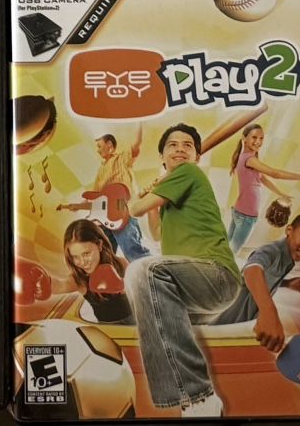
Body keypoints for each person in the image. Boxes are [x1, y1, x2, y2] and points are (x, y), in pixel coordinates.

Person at [123, 123, 242, 418]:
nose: (180, 149)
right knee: (143, 293)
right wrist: (154, 199)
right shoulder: (170, 195)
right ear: (162, 156)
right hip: (190, 291)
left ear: (196, 156)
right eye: (172, 145)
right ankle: (188, 400)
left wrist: (142, 197)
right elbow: (156, 235)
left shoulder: (189, 172)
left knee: (141, 272)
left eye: (188, 145)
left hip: (216, 275)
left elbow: (134, 209)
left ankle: (198, 394)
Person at [214, 216, 300, 355]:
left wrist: (287, 283)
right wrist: (269, 313)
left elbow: (268, 277)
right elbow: (251, 270)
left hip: (245, 318)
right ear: (289, 230)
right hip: (230, 311)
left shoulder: (289, 260)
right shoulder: (272, 250)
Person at [61, 128, 149, 262]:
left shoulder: (121, 159)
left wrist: (139, 122)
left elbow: (136, 143)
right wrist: (77, 206)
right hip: (105, 220)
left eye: (99, 146)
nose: (97, 150)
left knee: (132, 251)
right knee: (104, 258)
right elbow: (97, 201)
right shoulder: (101, 170)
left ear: (109, 145)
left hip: (123, 212)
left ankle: (156, 272)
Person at [226, 123, 300, 252]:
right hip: (246, 216)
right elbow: (275, 174)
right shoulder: (250, 160)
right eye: (254, 137)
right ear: (244, 138)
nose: (258, 141)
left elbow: (263, 179)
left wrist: (281, 193)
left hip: (239, 211)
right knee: (232, 250)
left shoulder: (245, 157)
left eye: (261, 138)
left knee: (227, 247)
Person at [62, 218, 132, 325]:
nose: (83, 262)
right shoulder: (79, 279)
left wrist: (122, 286)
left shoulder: (120, 263)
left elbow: (139, 290)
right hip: (110, 330)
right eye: (75, 256)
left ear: (99, 245)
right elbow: (60, 285)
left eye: (86, 253)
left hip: (137, 322)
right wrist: (40, 282)